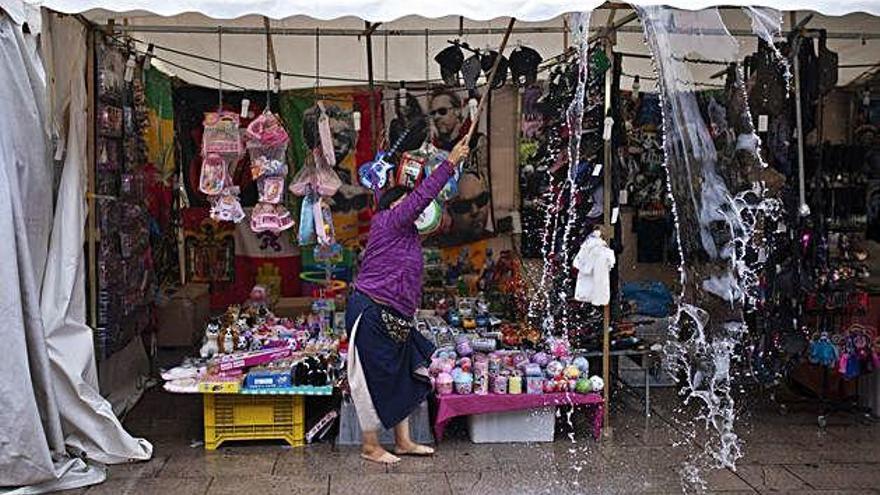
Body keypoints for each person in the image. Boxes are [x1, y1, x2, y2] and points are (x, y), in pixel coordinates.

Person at [345, 139, 470, 465]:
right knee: (369, 379)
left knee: (402, 374)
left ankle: (402, 441)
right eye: (404, 202)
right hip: (371, 311)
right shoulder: (387, 222)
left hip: (397, 316)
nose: (413, 208)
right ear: (392, 207)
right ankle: (371, 446)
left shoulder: (409, 235)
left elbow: (430, 207)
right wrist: (450, 162)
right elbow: (421, 197)